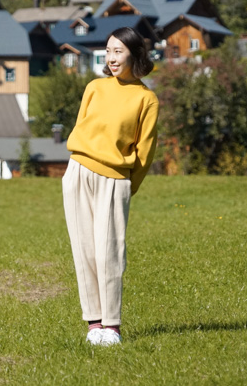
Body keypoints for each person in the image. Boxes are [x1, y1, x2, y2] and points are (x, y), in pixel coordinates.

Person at [62, 26, 159, 347]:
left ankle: (112, 326)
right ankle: (94, 324)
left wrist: (127, 187)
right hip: (78, 172)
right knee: (84, 250)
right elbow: (82, 128)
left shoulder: (146, 99)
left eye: (118, 51)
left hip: (115, 180)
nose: (111, 57)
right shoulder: (94, 87)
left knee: (110, 253)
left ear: (135, 54)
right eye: (108, 51)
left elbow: (145, 151)